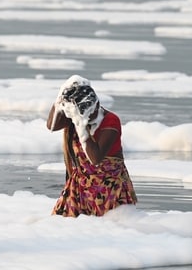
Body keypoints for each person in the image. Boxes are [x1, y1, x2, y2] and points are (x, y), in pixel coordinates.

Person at [46, 75, 137, 217]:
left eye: (94, 110)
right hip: (79, 187)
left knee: (106, 229)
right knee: (64, 226)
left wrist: (81, 127)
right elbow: (52, 125)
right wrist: (60, 100)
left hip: (108, 189)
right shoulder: (74, 116)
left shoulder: (111, 121)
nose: (93, 114)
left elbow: (96, 158)